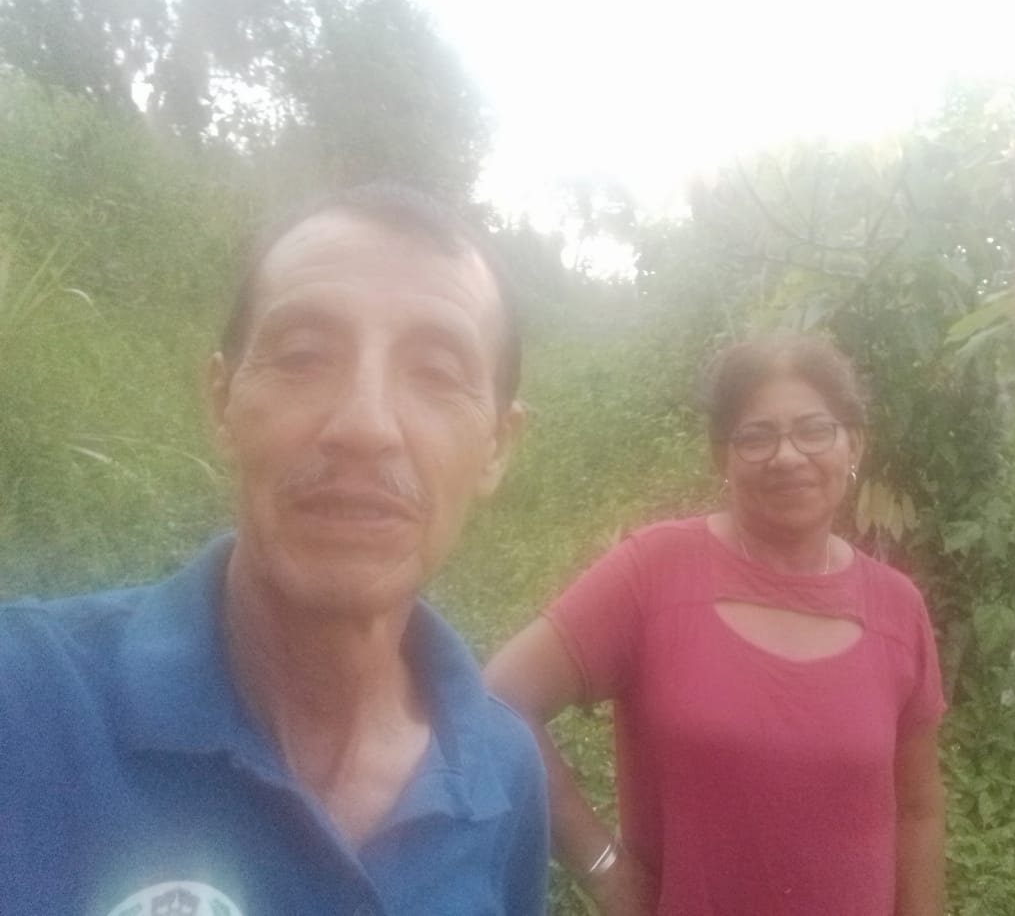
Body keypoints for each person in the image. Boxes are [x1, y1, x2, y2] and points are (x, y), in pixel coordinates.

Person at [0, 184, 549, 915]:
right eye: (303, 356)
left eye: (437, 375)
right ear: (222, 401)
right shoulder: (25, 700)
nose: (365, 425)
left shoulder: (505, 774)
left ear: (497, 447)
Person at [486, 334, 947, 916]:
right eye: (756, 436)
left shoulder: (897, 609)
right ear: (721, 455)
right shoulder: (655, 573)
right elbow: (500, 698)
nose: (787, 456)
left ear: (853, 444)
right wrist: (606, 871)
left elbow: (918, 809)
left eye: (814, 430)